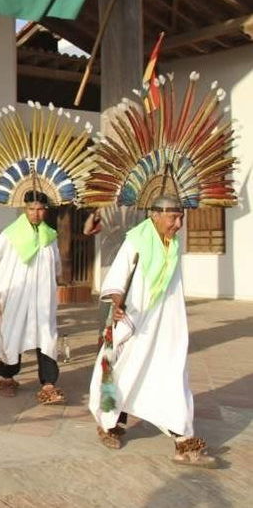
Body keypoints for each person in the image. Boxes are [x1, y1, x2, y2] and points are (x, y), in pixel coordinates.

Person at [88, 196, 216, 467]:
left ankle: (184, 442)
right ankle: (110, 424)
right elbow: (118, 276)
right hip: (136, 324)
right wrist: (117, 301)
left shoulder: (174, 244)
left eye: (181, 217)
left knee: (173, 376)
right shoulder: (136, 240)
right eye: (174, 218)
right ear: (155, 215)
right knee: (124, 374)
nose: (179, 224)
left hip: (168, 327)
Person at [0, 191, 65, 404]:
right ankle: (7, 377)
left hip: (42, 301)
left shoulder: (50, 236)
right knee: (11, 336)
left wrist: (57, 286)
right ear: (25, 209)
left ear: (46, 210)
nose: (36, 214)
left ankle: (48, 384)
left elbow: (56, 268)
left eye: (40, 209)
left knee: (47, 338)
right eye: (31, 209)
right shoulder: (10, 234)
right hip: (15, 299)